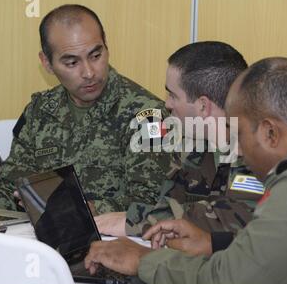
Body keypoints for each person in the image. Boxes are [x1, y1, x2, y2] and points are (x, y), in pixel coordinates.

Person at [84, 57, 287, 284]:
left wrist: (145, 261)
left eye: (240, 133)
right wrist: (214, 243)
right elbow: (286, 248)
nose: (240, 150)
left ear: (270, 133)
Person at [0, 4, 171, 214]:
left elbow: (151, 202)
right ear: (47, 63)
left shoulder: (149, 116)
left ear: (106, 47)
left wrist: (82, 208)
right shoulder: (40, 112)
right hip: (44, 240)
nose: (89, 72)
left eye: (95, 55)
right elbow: (12, 190)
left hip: (115, 241)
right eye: (72, 62)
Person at [95, 42, 263, 248]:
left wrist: (136, 221)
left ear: (203, 105)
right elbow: (170, 205)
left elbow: (234, 220)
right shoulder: (191, 143)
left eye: (173, 95)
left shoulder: (259, 150)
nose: (167, 104)